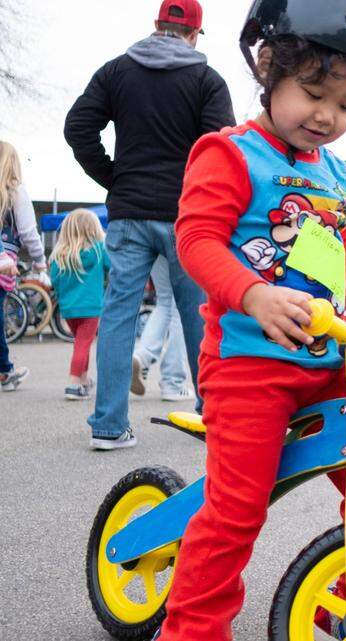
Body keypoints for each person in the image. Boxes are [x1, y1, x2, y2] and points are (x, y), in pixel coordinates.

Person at [156, 1, 346, 638]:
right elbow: (198, 241)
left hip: (330, 364)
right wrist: (254, 295)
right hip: (249, 366)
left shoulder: (334, 175)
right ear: (268, 68)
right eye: (315, 93)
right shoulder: (229, 153)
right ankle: (192, 628)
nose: (328, 115)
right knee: (238, 506)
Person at [64, 0, 236, 450]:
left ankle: (109, 426)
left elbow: (78, 127)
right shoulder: (206, 80)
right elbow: (225, 149)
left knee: (119, 313)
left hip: (128, 213)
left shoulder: (117, 71)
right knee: (198, 312)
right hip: (187, 216)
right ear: (195, 35)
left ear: (156, 26)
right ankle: (212, 417)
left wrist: (114, 177)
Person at [0, 140, 48, 391]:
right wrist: (40, 261)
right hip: (4, 262)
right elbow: (29, 232)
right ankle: (4, 371)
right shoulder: (15, 191)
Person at [49, 209, 109, 400]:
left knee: (81, 344)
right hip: (91, 308)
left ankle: (83, 380)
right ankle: (74, 383)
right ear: (94, 229)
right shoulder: (99, 249)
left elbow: (55, 281)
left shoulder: (60, 254)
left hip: (68, 309)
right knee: (83, 344)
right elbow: (113, 268)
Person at [130, 256, 192, 401]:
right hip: (179, 238)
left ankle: (142, 356)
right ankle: (173, 383)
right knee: (181, 306)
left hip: (154, 239)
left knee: (164, 301)